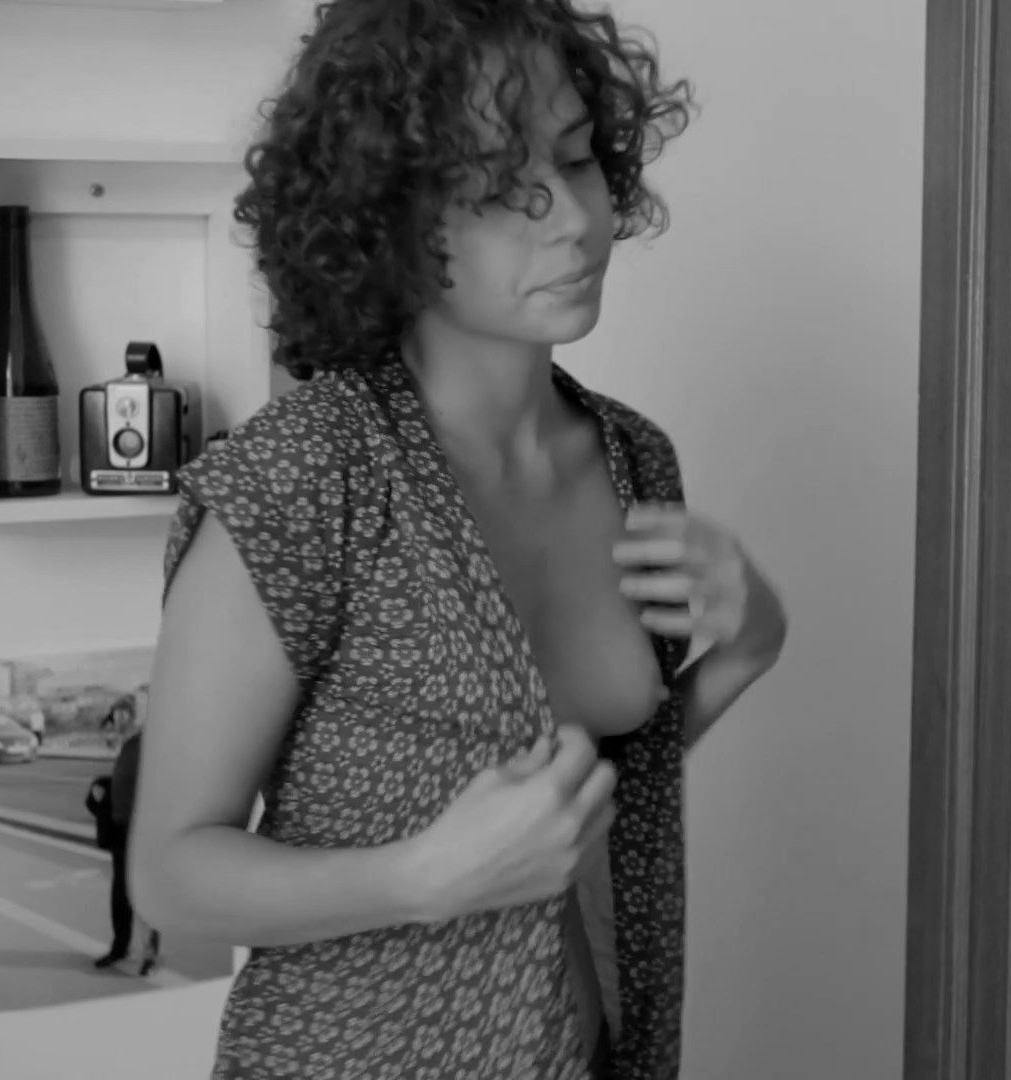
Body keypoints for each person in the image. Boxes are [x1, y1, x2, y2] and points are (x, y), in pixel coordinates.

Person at [127, 3, 787, 1079]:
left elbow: (596, 797)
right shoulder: (307, 478)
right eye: (493, 189)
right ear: (384, 220)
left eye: (577, 157)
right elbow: (169, 873)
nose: (572, 220)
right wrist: (421, 877)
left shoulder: (635, 461)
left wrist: (751, 644)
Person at [85, 728, 163, 976]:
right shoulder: (132, 743)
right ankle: (120, 947)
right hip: (122, 829)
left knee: (145, 895)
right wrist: (104, 786)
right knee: (121, 894)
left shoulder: (157, 742)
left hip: (144, 830)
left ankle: (149, 954)